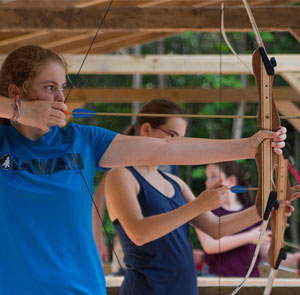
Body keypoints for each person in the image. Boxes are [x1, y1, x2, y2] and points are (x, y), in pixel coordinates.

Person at [0, 45, 288, 295]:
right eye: (49, 88)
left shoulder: (82, 140)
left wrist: (249, 147)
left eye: (62, 87)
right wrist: (17, 112)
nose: (61, 99)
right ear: (16, 93)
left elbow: (166, 149)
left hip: (82, 288)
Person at [104, 99, 295, 295]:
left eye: (182, 139)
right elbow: (138, 234)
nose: (178, 145)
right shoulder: (121, 174)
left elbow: (215, 228)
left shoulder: (174, 182)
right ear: (146, 130)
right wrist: (200, 204)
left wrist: (266, 209)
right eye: (172, 136)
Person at [196, 161, 300, 277]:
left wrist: (294, 258)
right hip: (215, 282)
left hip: (251, 282)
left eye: (213, 176)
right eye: (207, 177)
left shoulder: (254, 211)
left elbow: (266, 254)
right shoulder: (204, 211)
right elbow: (210, 246)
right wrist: (250, 237)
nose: (207, 182)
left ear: (231, 181)